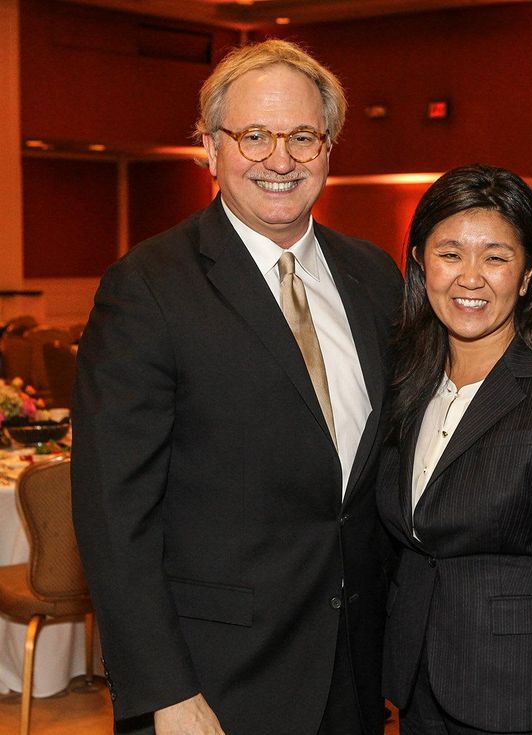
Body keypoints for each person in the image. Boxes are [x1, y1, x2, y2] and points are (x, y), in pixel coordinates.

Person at [71, 40, 402, 735]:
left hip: (354, 672)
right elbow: (113, 512)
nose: (280, 159)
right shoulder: (147, 287)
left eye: (302, 136)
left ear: (328, 149)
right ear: (210, 147)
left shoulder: (375, 277)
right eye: (254, 135)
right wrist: (165, 690)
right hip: (216, 682)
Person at [377, 164, 532, 734]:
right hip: (415, 694)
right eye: (450, 254)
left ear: (530, 272)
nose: (470, 278)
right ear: (419, 262)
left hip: (517, 704)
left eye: (495, 257)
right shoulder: (404, 383)